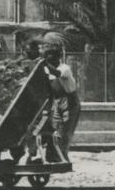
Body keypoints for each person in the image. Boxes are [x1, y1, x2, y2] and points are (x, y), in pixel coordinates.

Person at [34, 32, 81, 164]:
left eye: (49, 57)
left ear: (56, 57)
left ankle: (62, 157)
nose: (48, 59)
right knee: (54, 128)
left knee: (65, 131)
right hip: (56, 101)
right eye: (46, 57)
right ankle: (52, 156)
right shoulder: (47, 70)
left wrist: (44, 64)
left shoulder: (64, 68)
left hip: (70, 102)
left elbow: (57, 73)